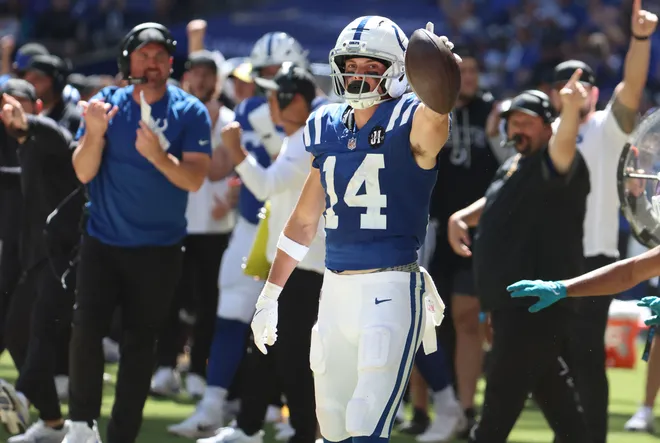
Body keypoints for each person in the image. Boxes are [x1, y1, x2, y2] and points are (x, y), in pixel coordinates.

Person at [249, 16, 454, 443]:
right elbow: (304, 221)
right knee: (334, 426)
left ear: (398, 70)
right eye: (351, 65)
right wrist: (270, 295)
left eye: (371, 67)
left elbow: (437, 121)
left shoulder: (411, 118)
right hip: (335, 290)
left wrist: (438, 77)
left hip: (391, 289)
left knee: (365, 424)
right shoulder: (328, 124)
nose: (357, 76)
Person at [65, 22, 212, 443]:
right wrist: (93, 133)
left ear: (170, 63)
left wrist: (159, 157)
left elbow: (194, 179)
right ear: (128, 60)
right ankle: (81, 424)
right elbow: (83, 171)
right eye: (143, 55)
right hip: (102, 242)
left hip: (159, 250)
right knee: (86, 329)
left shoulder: (189, 111)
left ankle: (122, 435)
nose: (151, 63)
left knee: (139, 344)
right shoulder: (105, 105)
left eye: (159, 56)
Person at [167, 31, 309, 438]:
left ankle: (293, 415)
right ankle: (215, 404)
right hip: (253, 225)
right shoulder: (245, 111)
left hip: (301, 235)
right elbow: (219, 170)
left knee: (297, 326)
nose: (269, 82)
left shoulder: (317, 115)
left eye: (276, 72)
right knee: (233, 311)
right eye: (262, 72)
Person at [447, 78, 591, 443]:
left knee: (497, 403)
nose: (517, 128)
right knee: (556, 398)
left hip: (533, 303)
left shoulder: (555, 162)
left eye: (527, 122)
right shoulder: (515, 165)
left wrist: (570, 111)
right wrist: (460, 217)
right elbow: (494, 204)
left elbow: (563, 148)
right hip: (511, 304)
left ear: (548, 127)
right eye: (513, 122)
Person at [547, 3, 657, 441]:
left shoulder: (607, 128)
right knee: (552, 359)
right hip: (550, 258)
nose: (574, 91)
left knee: (587, 360)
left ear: (595, 92)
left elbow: (632, 86)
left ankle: (591, 437)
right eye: (565, 84)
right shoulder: (550, 130)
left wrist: (641, 39)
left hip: (596, 257)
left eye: (584, 84)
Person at [199, 62, 325, 443]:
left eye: (274, 96)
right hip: (294, 265)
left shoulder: (306, 140)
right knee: (266, 347)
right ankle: (251, 427)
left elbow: (267, 185)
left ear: (295, 100)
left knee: (289, 355)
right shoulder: (299, 137)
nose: (268, 104)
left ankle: (302, 431)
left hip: (304, 267)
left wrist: (235, 151)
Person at [0, 79, 84, 442]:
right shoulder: (20, 147)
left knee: (41, 335)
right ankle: (52, 423)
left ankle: (18, 398)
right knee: (16, 335)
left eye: (21, 105)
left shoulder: (50, 137)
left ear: (35, 108)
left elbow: (60, 140)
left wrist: (29, 125)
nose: (12, 112)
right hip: (35, 259)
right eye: (7, 105)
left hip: (64, 257)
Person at [422, 44, 499, 439]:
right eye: (459, 70)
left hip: (478, 232)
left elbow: (509, 168)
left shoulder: (494, 113)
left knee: (467, 318)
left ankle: (467, 410)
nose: (467, 77)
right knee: (428, 321)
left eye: (472, 70)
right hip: (433, 227)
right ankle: (428, 406)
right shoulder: (431, 108)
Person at [151, 49, 237, 400]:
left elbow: (222, 169)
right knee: (168, 298)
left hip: (215, 229)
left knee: (208, 303)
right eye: (195, 74)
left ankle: (198, 371)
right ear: (186, 77)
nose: (200, 80)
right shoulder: (173, 115)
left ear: (217, 81)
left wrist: (232, 195)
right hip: (175, 222)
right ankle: (164, 367)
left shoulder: (230, 119)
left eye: (207, 74)